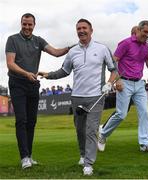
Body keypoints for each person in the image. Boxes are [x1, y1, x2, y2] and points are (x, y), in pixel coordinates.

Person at [38, 18, 118, 175]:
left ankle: (88, 163)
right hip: (77, 97)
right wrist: (48, 75)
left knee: (91, 130)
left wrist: (109, 83)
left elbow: (114, 69)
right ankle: (83, 155)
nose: (81, 31)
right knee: (80, 130)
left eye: (84, 28)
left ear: (91, 30)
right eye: (78, 29)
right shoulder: (73, 51)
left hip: (96, 96)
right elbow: (64, 71)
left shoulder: (102, 48)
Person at [5, 13, 73, 169]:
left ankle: (29, 156)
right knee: (21, 120)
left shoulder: (38, 40)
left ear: (34, 25)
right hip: (17, 83)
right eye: (24, 24)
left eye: (30, 24)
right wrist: (25, 73)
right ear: (21, 23)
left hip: (33, 84)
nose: (27, 27)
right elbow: (10, 63)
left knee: (32, 121)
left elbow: (56, 52)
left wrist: (72, 47)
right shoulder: (12, 39)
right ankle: (24, 158)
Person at [98, 20, 148, 153]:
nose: (147, 35)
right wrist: (117, 80)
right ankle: (103, 135)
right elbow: (113, 61)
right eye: (145, 32)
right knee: (121, 114)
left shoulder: (146, 46)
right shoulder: (126, 43)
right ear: (138, 29)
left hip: (139, 83)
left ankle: (145, 144)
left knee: (144, 112)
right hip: (124, 82)